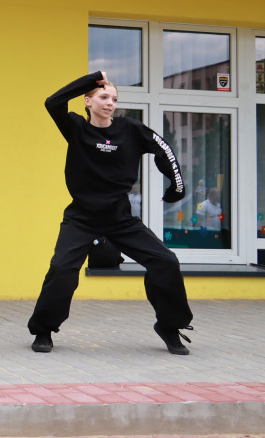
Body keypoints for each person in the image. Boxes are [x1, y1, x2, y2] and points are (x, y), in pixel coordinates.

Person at [28, 71, 194, 355]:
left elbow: (163, 149)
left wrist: (176, 186)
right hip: (81, 217)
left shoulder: (130, 129)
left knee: (165, 261)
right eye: (103, 97)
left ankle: (169, 325)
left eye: (114, 99)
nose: (110, 103)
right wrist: (93, 79)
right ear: (88, 101)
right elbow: (52, 101)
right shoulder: (75, 127)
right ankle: (44, 329)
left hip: (120, 218)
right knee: (61, 269)